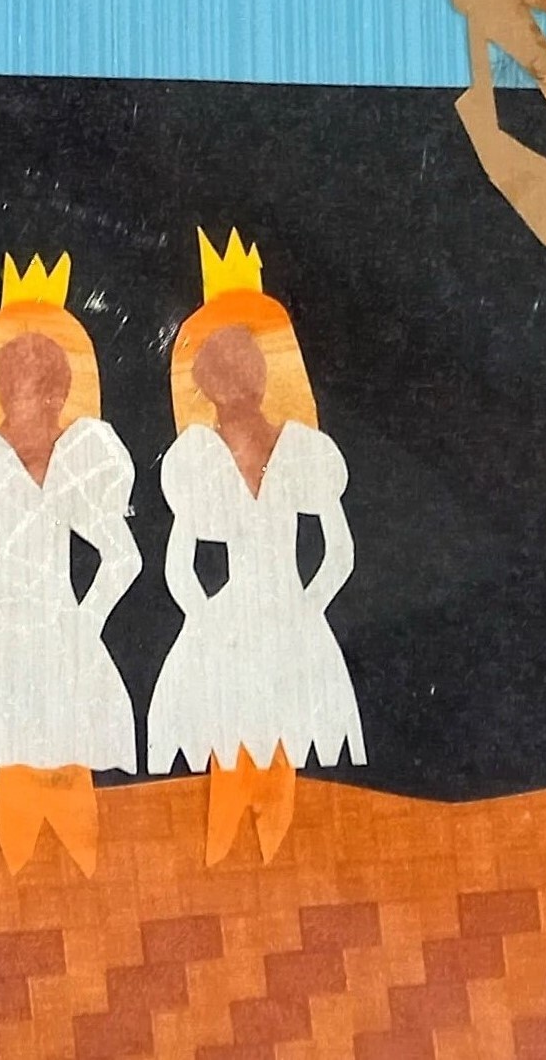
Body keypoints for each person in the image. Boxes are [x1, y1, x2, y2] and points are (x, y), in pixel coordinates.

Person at [148, 229, 364, 864]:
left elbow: (338, 552)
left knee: (283, 729)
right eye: (222, 376)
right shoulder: (197, 458)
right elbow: (181, 563)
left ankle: (275, 848)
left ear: (264, 376)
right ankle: (228, 844)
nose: (235, 387)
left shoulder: (303, 451)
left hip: (286, 613)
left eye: (243, 372)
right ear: (205, 386)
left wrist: (305, 609)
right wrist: (206, 618)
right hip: (231, 616)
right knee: (229, 725)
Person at [0, 253, 141, 875]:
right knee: (10, 737)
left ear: (60, 394)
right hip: (4, 622)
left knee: (69, 732)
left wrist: (86, 621)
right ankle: (14, 864)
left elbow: (123, 556)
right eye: (18, 389)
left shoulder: (78, 459)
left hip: (60, 620)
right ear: (2, 392)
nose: (32, 403)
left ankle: (75, 861)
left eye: (44, 391)